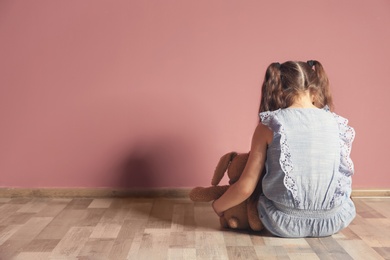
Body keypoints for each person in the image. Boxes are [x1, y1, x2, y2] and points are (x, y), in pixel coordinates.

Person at [212, 60, 356, 238]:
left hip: (282, 223)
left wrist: (217, 206)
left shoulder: (270, 124)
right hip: (334, 221)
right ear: (315, 90)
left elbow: (245, 188)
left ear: (277, 90)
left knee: (256, 187)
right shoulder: (338, 123)